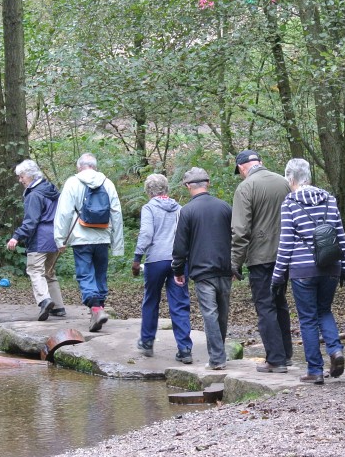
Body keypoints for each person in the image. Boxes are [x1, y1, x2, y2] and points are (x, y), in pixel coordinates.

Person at [271, 158, 345, 385]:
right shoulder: (329, 199)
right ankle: (335, 350)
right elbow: (340, 236)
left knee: (307, 319)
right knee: (324, 310)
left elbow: (286, 243)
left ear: (290, 179)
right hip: (330, 266)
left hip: (302, 269)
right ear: (309, 176)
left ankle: (315, 370)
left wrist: (278, 277)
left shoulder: (290, 203)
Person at [231, 149, 293, 373]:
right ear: (260, 162)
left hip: (260, 258)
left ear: (241, 168)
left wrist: (235, 262)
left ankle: (275, 360)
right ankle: (286, 355)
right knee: (280, 303)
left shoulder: (246, 187)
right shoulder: (284, 183)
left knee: (265, 306)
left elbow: (240, 230)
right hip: (285, 254)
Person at [53, 153, 124, 333]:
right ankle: (98, 310)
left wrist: (60, 239)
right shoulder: (107, 183)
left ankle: (96, 310)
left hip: (81, 238)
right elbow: (116, 214)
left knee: (85, 275)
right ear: (95, 166)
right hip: (103, 237)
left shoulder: (72, 182)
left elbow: (64, 213)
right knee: (100, 274)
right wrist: (117, 244)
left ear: (79, 167)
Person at [172, 167, 234, 370]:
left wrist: (178, 270)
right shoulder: (225, 207)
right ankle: (219, 354)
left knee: (210, 314)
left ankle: (217, 358)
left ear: (188, 186)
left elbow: (180, 245)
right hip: (225, 269)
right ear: (208, 183)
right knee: (222, 313)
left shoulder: (187, 211)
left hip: (202, 271)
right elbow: (235, 238)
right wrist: (235, 266)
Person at [131, 174, 192, 360]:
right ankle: (185, 349)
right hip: (178, 260)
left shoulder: (149, 208)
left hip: (156, 261)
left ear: (148, 191)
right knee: (180, 303)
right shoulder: (180, 208)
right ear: (166, 189)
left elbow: (146, 233)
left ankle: (147, 341)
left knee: (151, 299)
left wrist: (137, 258)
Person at [7, 159, 67, 320]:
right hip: (55, 237)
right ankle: (58, 307)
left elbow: (31, 222)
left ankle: (44, 300)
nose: (20, 180)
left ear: (30, 175)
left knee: (35, 271)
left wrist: (16, 236)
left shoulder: (34, 194)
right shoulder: (51, 190)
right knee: (49, 272)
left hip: (40, 239)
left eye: (22, 177)